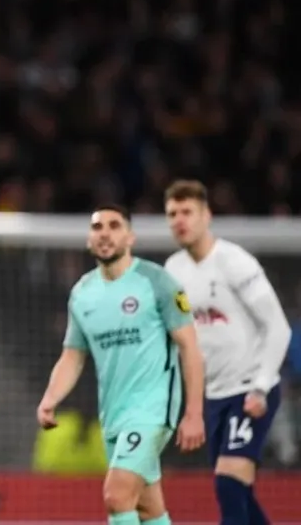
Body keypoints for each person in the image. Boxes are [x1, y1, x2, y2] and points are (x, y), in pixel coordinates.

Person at [36, 204, 206, 525]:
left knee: (116, 496)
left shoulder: (157, 282)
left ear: (130, 237)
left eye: (114, 226)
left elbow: (190, 348)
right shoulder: (82, 294)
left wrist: (194, 413)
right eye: (97, 227)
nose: (105, 233)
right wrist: (50, 398)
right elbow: (73, 356)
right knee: (148, 509)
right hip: (113, 415)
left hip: (153, 410)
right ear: (89, 240)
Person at [163, 180, 292, 525]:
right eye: (172, 214)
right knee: (239, 494)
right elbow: (181, 338)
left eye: (187, 212)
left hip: (249, 390)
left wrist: (262, 386)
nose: (179, 220)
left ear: (207, 215)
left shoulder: (235, 262)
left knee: (229, 485)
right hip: (214, 396)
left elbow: (278, 327)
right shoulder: (173, 271)